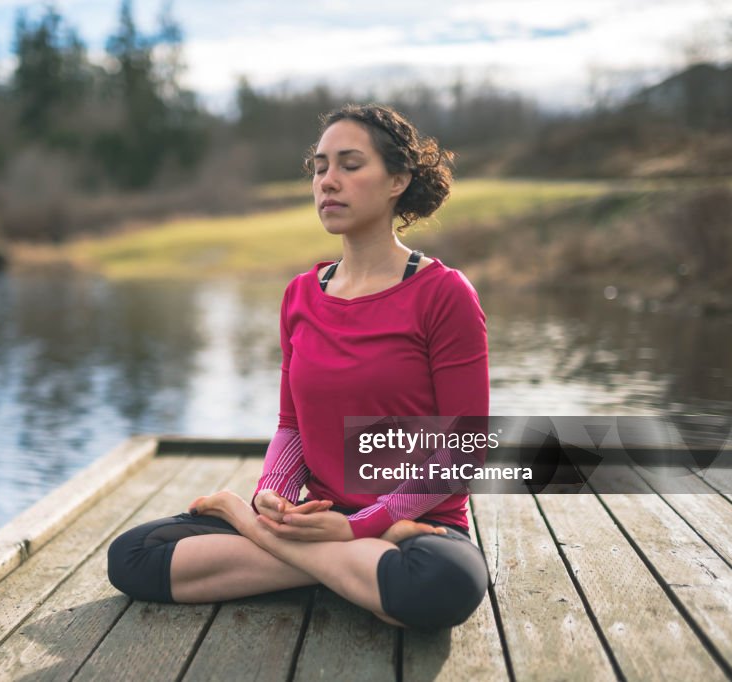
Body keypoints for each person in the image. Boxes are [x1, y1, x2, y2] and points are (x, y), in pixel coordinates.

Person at [107, 103, 489, 631]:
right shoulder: (300, 296)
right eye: (319, 167)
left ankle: (280, 540)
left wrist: (360, 526)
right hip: (319, 528)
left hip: (418, 528)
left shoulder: (444, 294)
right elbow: (292, 425)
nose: (328, 182)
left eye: (350, 165)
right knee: (134, 555)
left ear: (398, 179)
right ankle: (344, 572)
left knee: (440, 586)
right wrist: (274, 497)